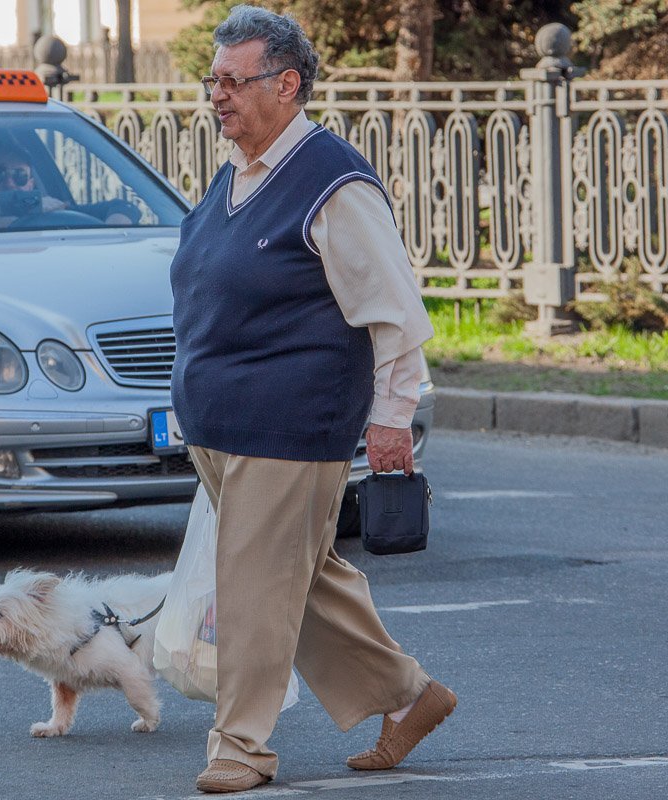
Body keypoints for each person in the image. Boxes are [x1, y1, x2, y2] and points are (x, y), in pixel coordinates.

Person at [169, 5, 456, 794]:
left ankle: (242, 747)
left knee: (256, 585)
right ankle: (409, 695)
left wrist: (394, 417)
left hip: (290, 422)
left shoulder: (333, 182)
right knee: (304, 575)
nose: (217, 96)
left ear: (287, 83)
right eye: (213, 81)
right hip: (221, 423)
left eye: (233, 81)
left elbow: (395, 311)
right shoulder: (241, 170)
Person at [0, 141, 137, 229]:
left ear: (30, 184)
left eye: (19, 176)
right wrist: (34, 205)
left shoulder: (49, 210)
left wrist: (112, 233)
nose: (9, 184)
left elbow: (125, 206)